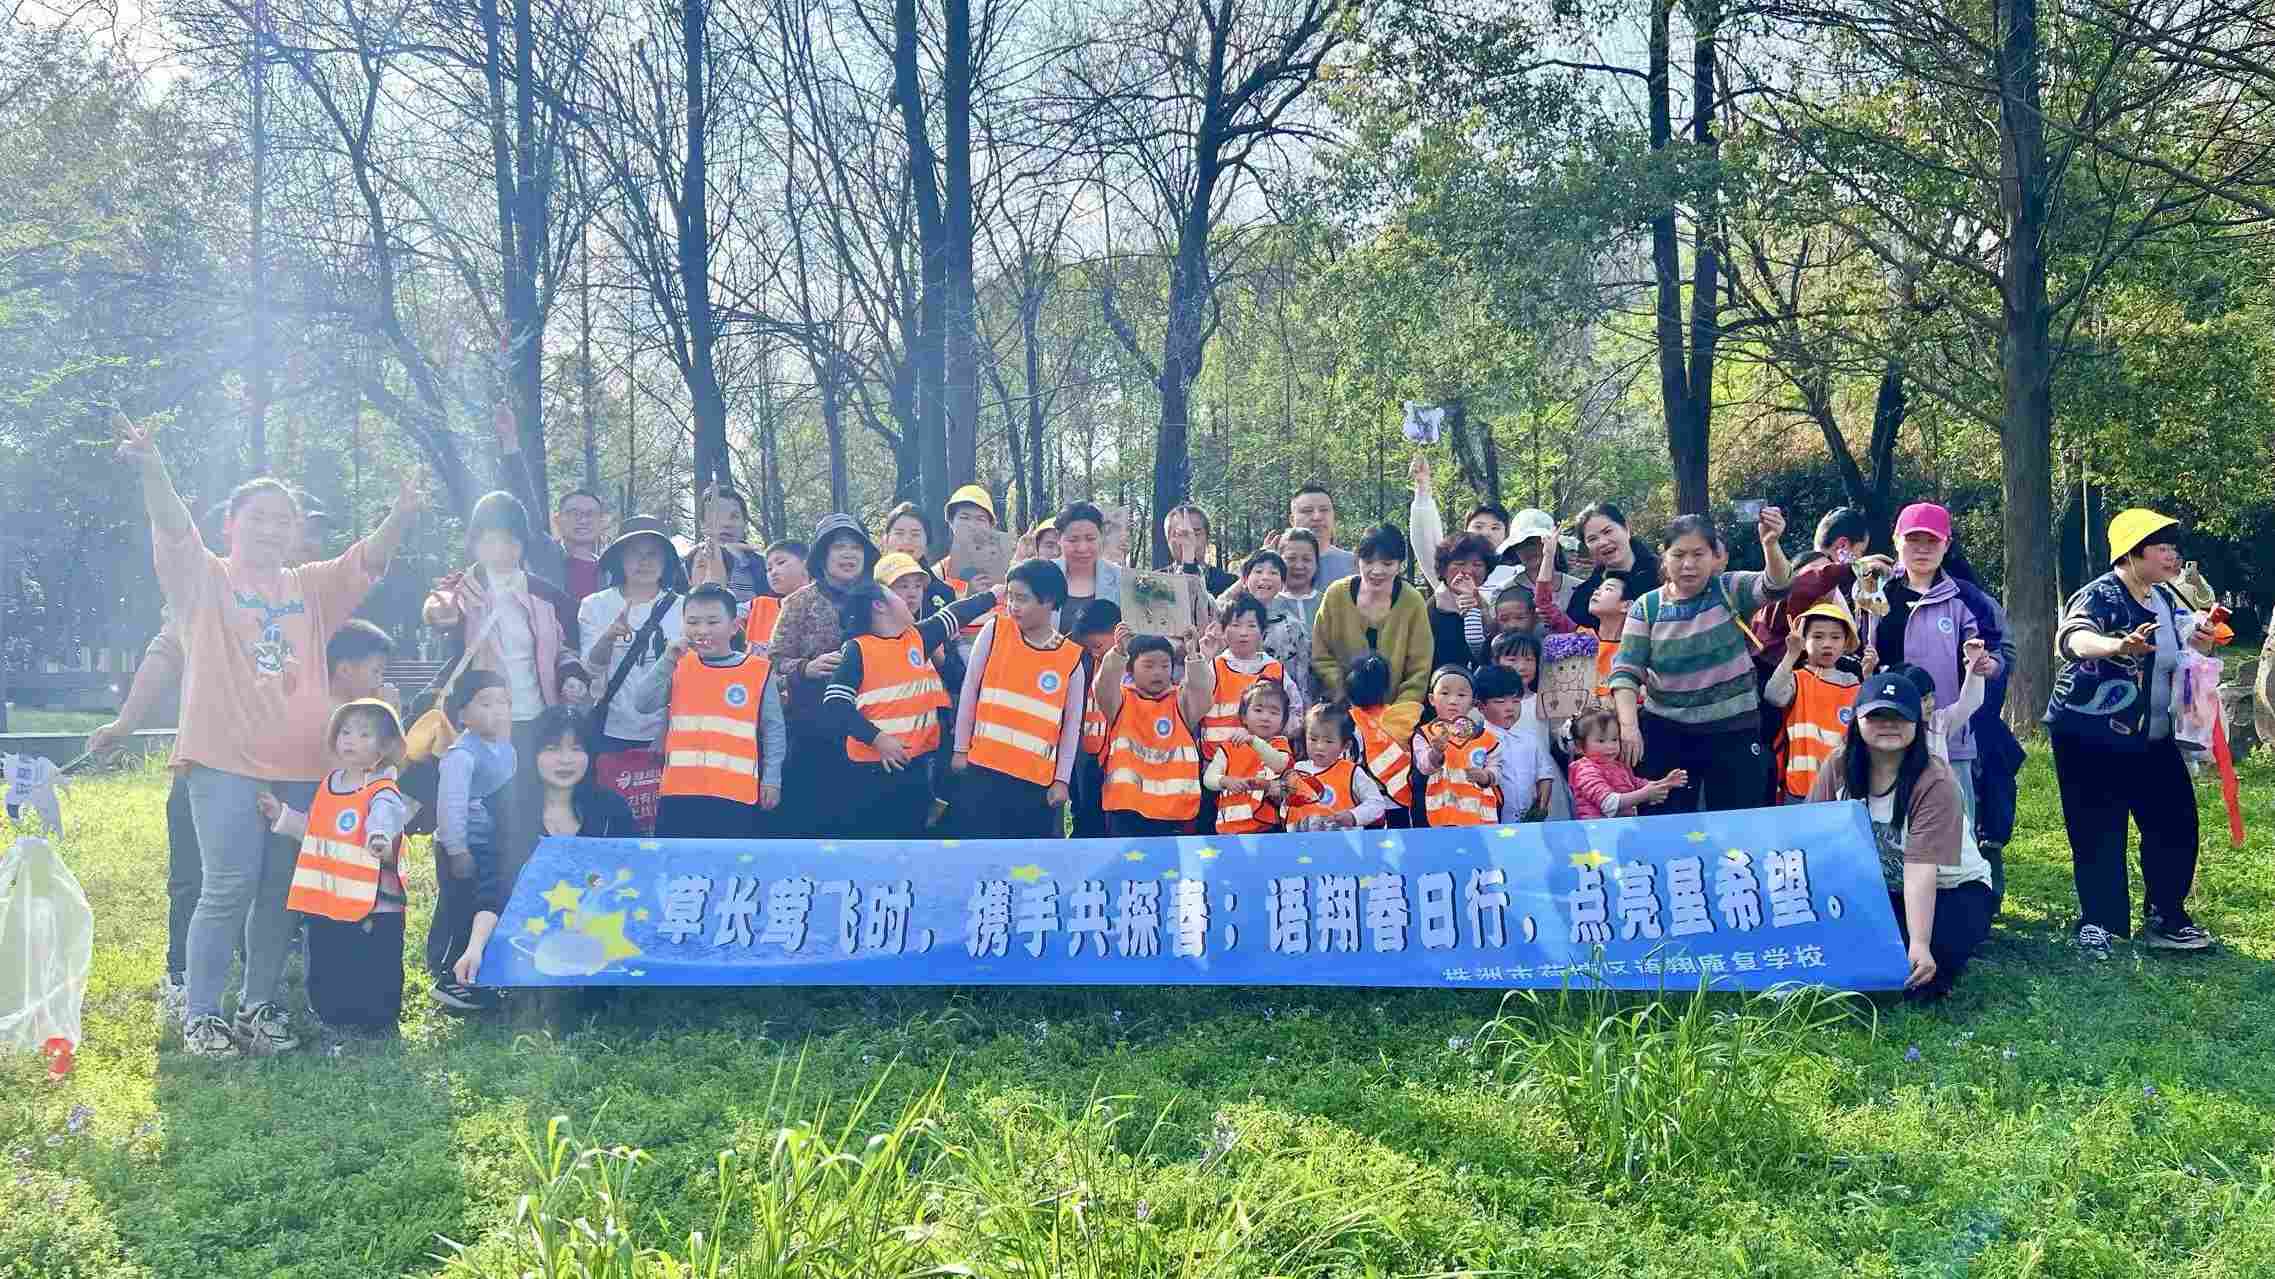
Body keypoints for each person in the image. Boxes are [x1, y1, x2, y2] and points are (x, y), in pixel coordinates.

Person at [115, 410, 422, 1059]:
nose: (270, 527)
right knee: (226, 883)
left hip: (301, 763)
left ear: (295, 532)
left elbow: (366, 559)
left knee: (281, 890)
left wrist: (401, 511)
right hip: (222, 756)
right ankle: (203, 1013)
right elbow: (172, 525)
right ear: (231, 524)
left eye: (282, 519)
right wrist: (152, 465)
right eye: (257, 516)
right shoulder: (205, 577)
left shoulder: (308, 587)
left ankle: (260, 1007)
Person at [2045, 508, 2218, 959]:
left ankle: (2165, 917)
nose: (2172, 555)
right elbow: (2073, 638)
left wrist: (2199, 639)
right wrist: (2117, 645)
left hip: (2152, 737)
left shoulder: (2166, 596)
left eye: (2173, 547)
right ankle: (2101, 923)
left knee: (2175, 822)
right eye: (2163, 547)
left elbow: (2181, 643)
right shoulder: (2099, 595)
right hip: (2089, 734)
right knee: (2098, 828)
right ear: (2131, 553)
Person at [1809, 674, 1996, 1001]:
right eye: (1877, 715)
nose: (1888, 724)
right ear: (1857, 720)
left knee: (1914, 980)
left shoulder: (1935, 781)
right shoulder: (1837, 766)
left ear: (1917, 723)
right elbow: (1812, 837)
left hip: (1951, 889)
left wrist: (1920, 944)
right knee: (1859, 969)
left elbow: (1920, 868)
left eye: (1900, 716)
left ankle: (1940, 952)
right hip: (1881, 891)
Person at [424, 490, 575, 886]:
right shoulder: (461, 589)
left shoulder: (547, 595)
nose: (500, 548)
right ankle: (466, 912)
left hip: (534, 721)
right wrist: (439, 612)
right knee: (473, 819)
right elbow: (438, 610)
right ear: (474, 542)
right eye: (488, 538)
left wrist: (573, 677)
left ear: (522, 544)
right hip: (480, 727)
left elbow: (566, 648)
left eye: (510, 539)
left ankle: (524, 900)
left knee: (527, 818)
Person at [1606, 508, 1794, 813]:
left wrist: (1771, 544)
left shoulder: (1729, 588)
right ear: (1664, 557)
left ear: (1714, 556)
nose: (1688, 564)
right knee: (1665, 825)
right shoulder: (1647, 606)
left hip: (1734, 730)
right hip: (1668, 733)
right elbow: (1626, 671)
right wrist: (1629, 727)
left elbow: (1777, 585)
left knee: (1738, 823)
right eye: (1679, 554)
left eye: (1698, 554)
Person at [450, 705, 640, 988]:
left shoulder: (612, 810)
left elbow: (628, 885)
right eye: (552, 749)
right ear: (533, 755)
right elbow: (495, 889)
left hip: (599, 940)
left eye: (576, 749)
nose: (565, 760)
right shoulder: (507, 811)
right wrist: (475, 949)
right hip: (527, 940)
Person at [256, 699, 409, 1038]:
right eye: (345, 731)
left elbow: (386, 816)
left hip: (374, 902)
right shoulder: (328, 785)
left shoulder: (383, 789)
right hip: (328, 899)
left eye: (364, 734)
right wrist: (281, 816)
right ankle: (333, 1014)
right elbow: (315, 829)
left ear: (384, 747)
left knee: (374, 962)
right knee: (329, 958)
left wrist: (379, 836)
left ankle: (378, 1021)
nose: (351, 739)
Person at [825, 563, 1002, 839]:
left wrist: (993, 595)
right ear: (879, 606)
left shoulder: (917, 637)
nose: (907, 598)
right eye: (894, 593)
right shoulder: (858, 650)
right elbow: (835, 705)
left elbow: (955, 614)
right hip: (872, 772)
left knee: (915, 837)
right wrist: (878, 739)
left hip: (918, 765)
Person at [1866, 503, 2005, 826]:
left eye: (1932, 541)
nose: (1923, 550)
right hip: (1886, 731)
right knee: (1888, 827)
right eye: (1914, 540)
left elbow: (1997, 652)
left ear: (1947, 544)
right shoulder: (1874, 594)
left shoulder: (1966, 597)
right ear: (1897, 540)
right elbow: (1855, 648)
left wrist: (1988, 664)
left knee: (1955, 828)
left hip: (1948, 735)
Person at [634, 584, 785, 838]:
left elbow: (774, 728)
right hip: (680, 793)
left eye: (713, 622)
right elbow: (643, 702)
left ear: (735, 626)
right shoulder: (677, 664)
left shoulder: (758, 670)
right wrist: (668, 659)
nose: (702, 630)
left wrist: (772, 778)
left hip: (735, 794)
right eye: (693, 622)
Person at [951, 558, 1089, 836]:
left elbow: (1072, 725)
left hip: (1034, 780)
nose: (1013, 605)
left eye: (1022, 599)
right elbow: (970, 690)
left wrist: (1061, 779)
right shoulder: (994, 631)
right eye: (1010, 597)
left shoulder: (1071, 657)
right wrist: (960, 749)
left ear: (1048, 601)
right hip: (983, 768)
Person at [763, 513, 881, 833]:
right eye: (838, 546)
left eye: (856, 546)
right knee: (814, 821)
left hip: (871, 729)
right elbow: (772, 664)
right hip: (814, 731)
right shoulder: (799, 602)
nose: (848, 554)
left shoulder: (881, 599)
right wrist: (806, 668)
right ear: (821, 557)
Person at [427, 671, 516, 1013]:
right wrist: (457, 850)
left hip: (491, 845)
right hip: (463, 847)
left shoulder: (505, 749)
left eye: (503, 703)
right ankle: (448, 977)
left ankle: (467, 971)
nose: (498, 711)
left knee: (482, 905)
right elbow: (449, 808)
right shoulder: (461, 755)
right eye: (486, 703)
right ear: (462, 713)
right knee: (458, 908)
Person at [1093, 626, 1217, 836]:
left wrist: (1194, 655)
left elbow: (1202, 693)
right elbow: (1103, 686)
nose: (1158, 672)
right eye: (1148, 665)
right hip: (1127, 807)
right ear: (1130, 669)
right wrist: (1118, 652)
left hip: (1176, 810)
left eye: (1164, 665)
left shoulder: (1181, 701)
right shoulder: (1120, 699)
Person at [1311, 525, 1433, 709]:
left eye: (1387, 564)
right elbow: (1321, 655)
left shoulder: (1412, 601)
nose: (1376, 571)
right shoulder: (1336, 594)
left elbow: (1419, 670)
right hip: (1341, 710)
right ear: (1357, 559)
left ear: (1400, 564)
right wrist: (1344, 694)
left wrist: (1396, 716)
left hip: (1395, 717)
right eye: (1368, 562)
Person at [1765, 597, 1866, 802]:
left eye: (1836, 637)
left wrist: (1869, 676)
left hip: (1841, 789)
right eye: (1817, 637)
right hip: (1800, 788)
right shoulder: (1797, 678)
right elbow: (1773, 695)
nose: (1827, 644)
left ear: (1846, 642)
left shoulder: (1855, 685)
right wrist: (1791, 655)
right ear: (1804, 640)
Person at [1199, 592, 1303, 760]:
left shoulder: (1275, 670)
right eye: (1236, 625)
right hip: (1219, 765)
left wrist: (1268, 732)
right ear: (1223, 630)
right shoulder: (1214, 667)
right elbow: (1192, 706)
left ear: (1263, 632)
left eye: (1252, 625)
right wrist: (1202, 660)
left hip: (1264, 766)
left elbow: (1296, 715)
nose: (1244, 632)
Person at [1413, 666, 1501, 827]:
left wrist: (1486, 776)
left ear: (1473, 702)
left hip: (1478, 815)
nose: (1453, 701)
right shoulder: (1425, 733)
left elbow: (1496, 768)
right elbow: (1424, 767)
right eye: (1445, 693)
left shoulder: (1485, 737)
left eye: (1461, 695)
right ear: (1432, 699)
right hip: (1438, 814)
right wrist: (1436, 752)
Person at [1284, 702, 1393, 830]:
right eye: (1313, 739)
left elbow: (1377, 804)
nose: (1319, 746)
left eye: (1328, 741)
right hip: (1302, 845)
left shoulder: (1352, 772)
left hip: (1344, 845)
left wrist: (1353, 816)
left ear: (1345, 746)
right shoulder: (1298, 770)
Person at [1205, 681, 1293, 834]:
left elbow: (1280, 764)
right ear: (1244, 717)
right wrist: (1225, 781)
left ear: (1282, 722)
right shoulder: (1229, 746)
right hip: (1227, 830)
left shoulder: (1279, 744)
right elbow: (1208, 779)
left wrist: (1253, 741)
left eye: (1274, 712)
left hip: (1267, 829)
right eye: (1258, 710)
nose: (1265, 717)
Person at [1567, 709, 1689, 819]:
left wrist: (1665, 783)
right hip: (1598, 831)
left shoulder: (1617, 765)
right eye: (1601, 741)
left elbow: (1636, 783)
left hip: (1620, 827)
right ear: (1579, 746)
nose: (1610, 746)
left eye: (1614, 739)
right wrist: (1645, 794)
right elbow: (1609, 804)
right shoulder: (1585, 771)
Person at [1229, 548, 1313, 707]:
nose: (1265, 577)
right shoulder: (1230, 621)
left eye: (1273, 573)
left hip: (1279, 711)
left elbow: (1303, 679)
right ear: (1245, 580)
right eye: (1258, 571)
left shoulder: (1293, 627)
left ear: (1282, 584)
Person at [1342, 653, 1418, 826]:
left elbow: (1347, 763)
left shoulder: (1349, 722)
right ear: (1385, 689)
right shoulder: (1398, 715)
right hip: (1401, 796)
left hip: (1366, 803)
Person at [1066, 601, 1122, 838]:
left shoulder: (1138, 662)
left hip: (1119, 756)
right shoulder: (1084, 661)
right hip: (1087, 755)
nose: (1094, 652)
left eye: (1098, 645)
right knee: (1086, 814)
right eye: (1089, 647)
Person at [1475, 664, 1555, 822]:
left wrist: (1541, 807)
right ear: (1480, 706)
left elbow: (1545, 774)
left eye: (1516, 701)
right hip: (1489, 821)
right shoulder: (1476, 742)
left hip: (1528, 821)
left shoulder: (1530, 738)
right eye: (1500, 702)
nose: (1510, 708)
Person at [1565, 502, 1662, 632]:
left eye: (1608, 531)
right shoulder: (1585, 596)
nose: (1603, 542)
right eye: (1592, 539)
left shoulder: (1664, 575)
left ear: (1627, 529)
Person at [685, 486, 767, 606]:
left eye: (734, 517)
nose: (726, 524)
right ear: (703, 524)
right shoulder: (688, 564)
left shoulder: (764, 565)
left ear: (745, 523)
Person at [1426, 533, 1495, 669]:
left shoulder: (1490, 605)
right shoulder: (1432, 610)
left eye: (1477, 564)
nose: (1468, 571)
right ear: (1444, 569)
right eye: (1460, 563)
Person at [1290, 484, 1359, 587]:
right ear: (1292, 520)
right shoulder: (1276, 564)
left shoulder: (1354, 564)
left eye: (1324, 510)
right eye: (1307, 511)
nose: (1317, 517)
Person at [746, 539, 809, 649]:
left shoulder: (826, 605)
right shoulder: (758, 606)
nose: (773, 572)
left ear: (806, 564)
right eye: (768, 569)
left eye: (781, 563)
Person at [1165, 502, 1237, 597]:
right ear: (1168, 539)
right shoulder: (1153, 584)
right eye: (1179, 534)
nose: (1189, 541)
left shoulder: (1230, 584)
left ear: (1207, 538)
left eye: (1196, 533)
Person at [1274, 528, 1329, 628]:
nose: (1299, 566)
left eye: (1306, 559)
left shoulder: (1328, 603)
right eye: (1291, 558)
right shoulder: (1269, 604)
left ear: (1317, 563)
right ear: (1278, 562)